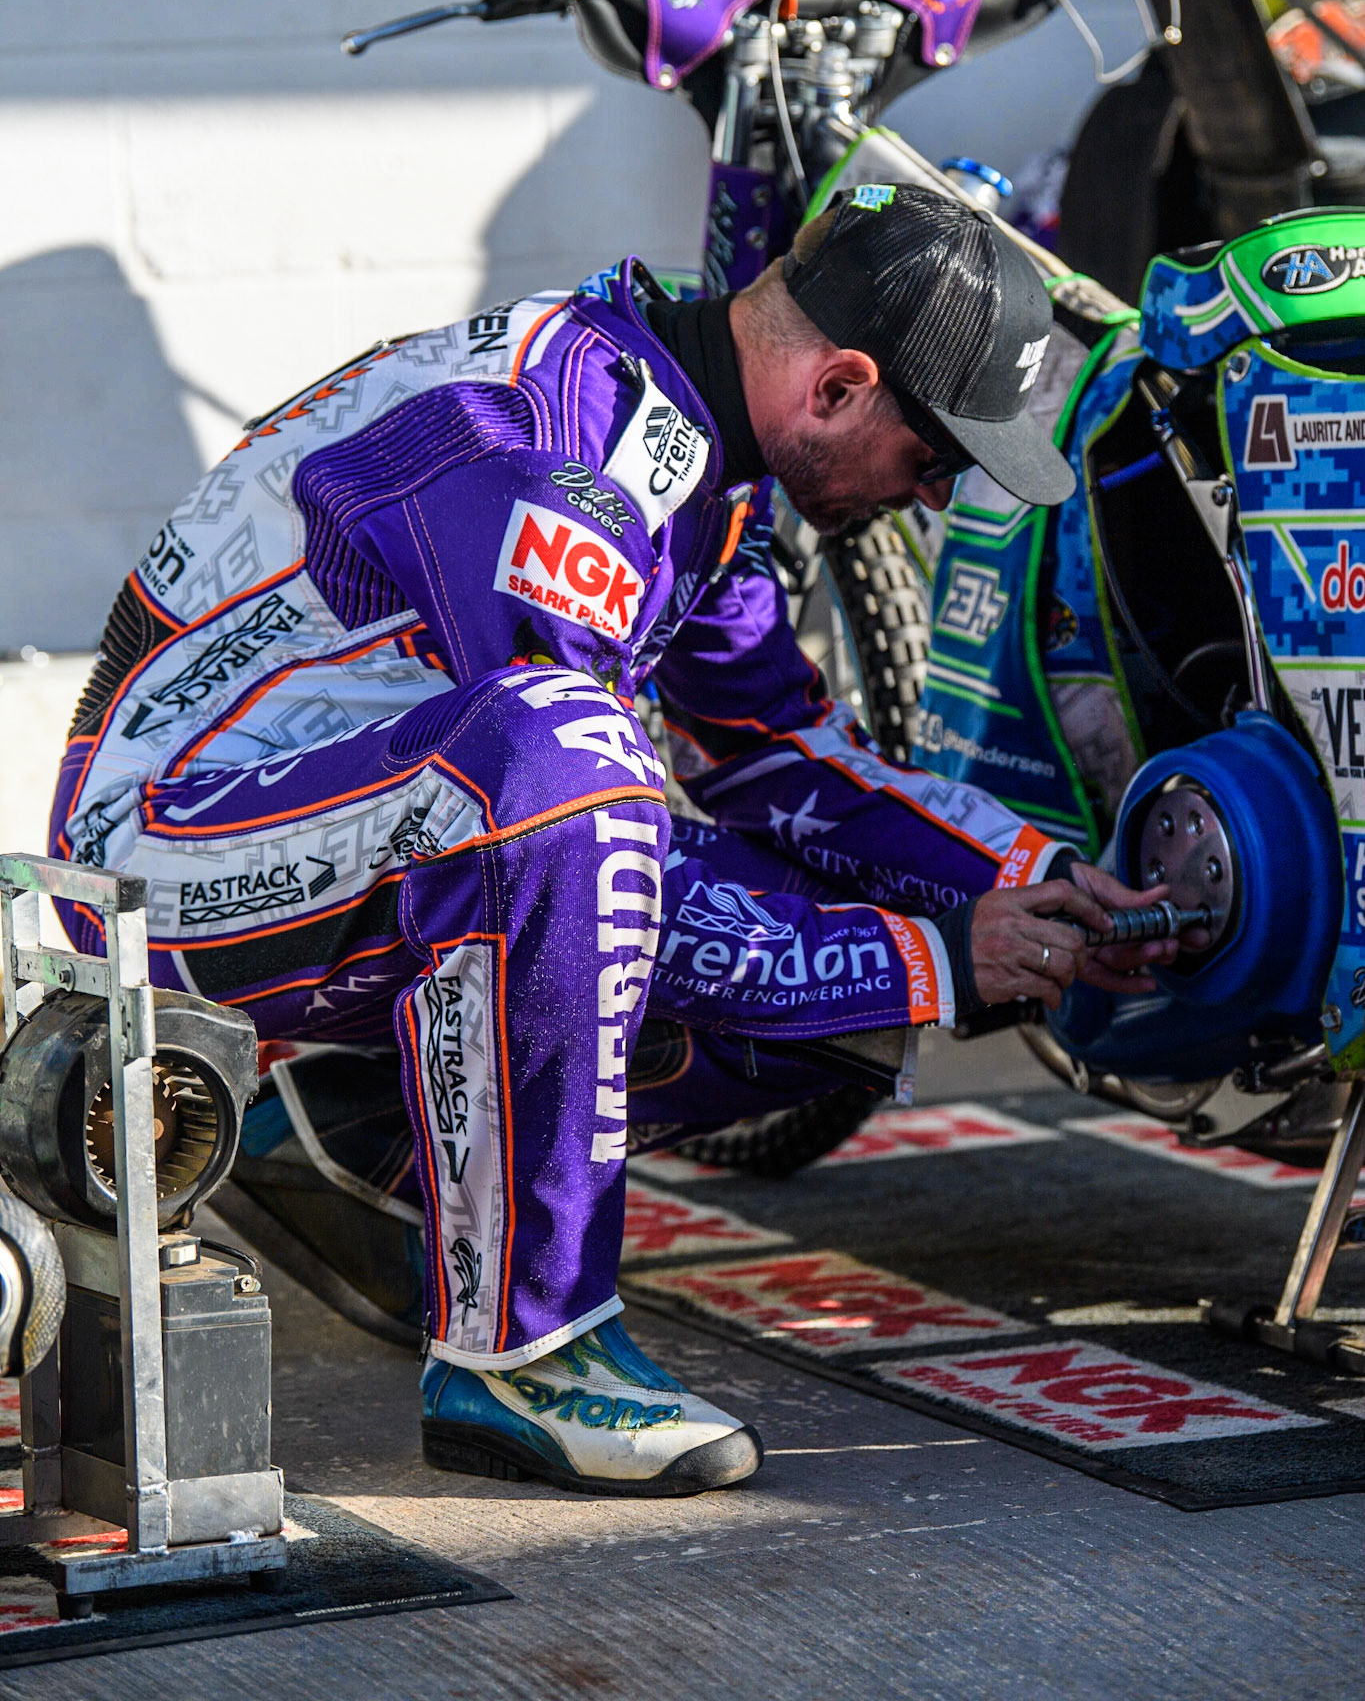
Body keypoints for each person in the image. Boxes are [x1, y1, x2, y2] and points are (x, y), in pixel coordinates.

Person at [49, 185, 1175, 1497]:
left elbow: (777, 754)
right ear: (838, 389)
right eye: (930, 459)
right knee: (576, 773)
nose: (928, 497)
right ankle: (522, 1354)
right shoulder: (551, 443)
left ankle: (350, 1152)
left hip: (362, 825)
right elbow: (560, 816)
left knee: (821, 996)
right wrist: (932, 957)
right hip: (167, 849)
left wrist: (1030, 881)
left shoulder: (694, 463)